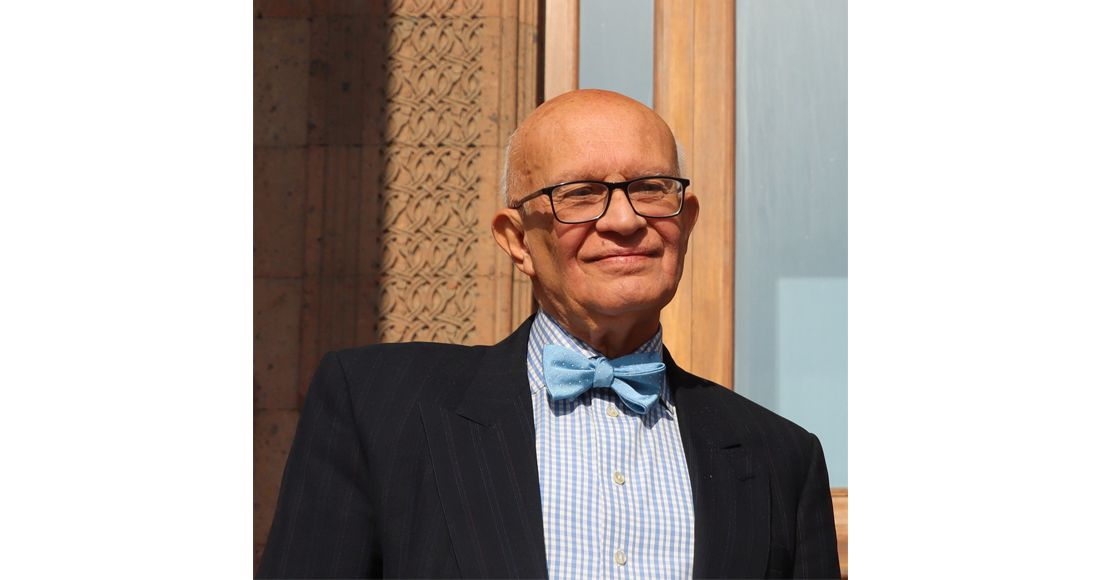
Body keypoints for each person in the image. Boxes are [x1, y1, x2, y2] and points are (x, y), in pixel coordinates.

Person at [257, 89, 840, 579]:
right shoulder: (378, 407)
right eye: (580, 195)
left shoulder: (783, 460)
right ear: (516, 240)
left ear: (685, 223)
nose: (624, 220)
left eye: (651, 188)